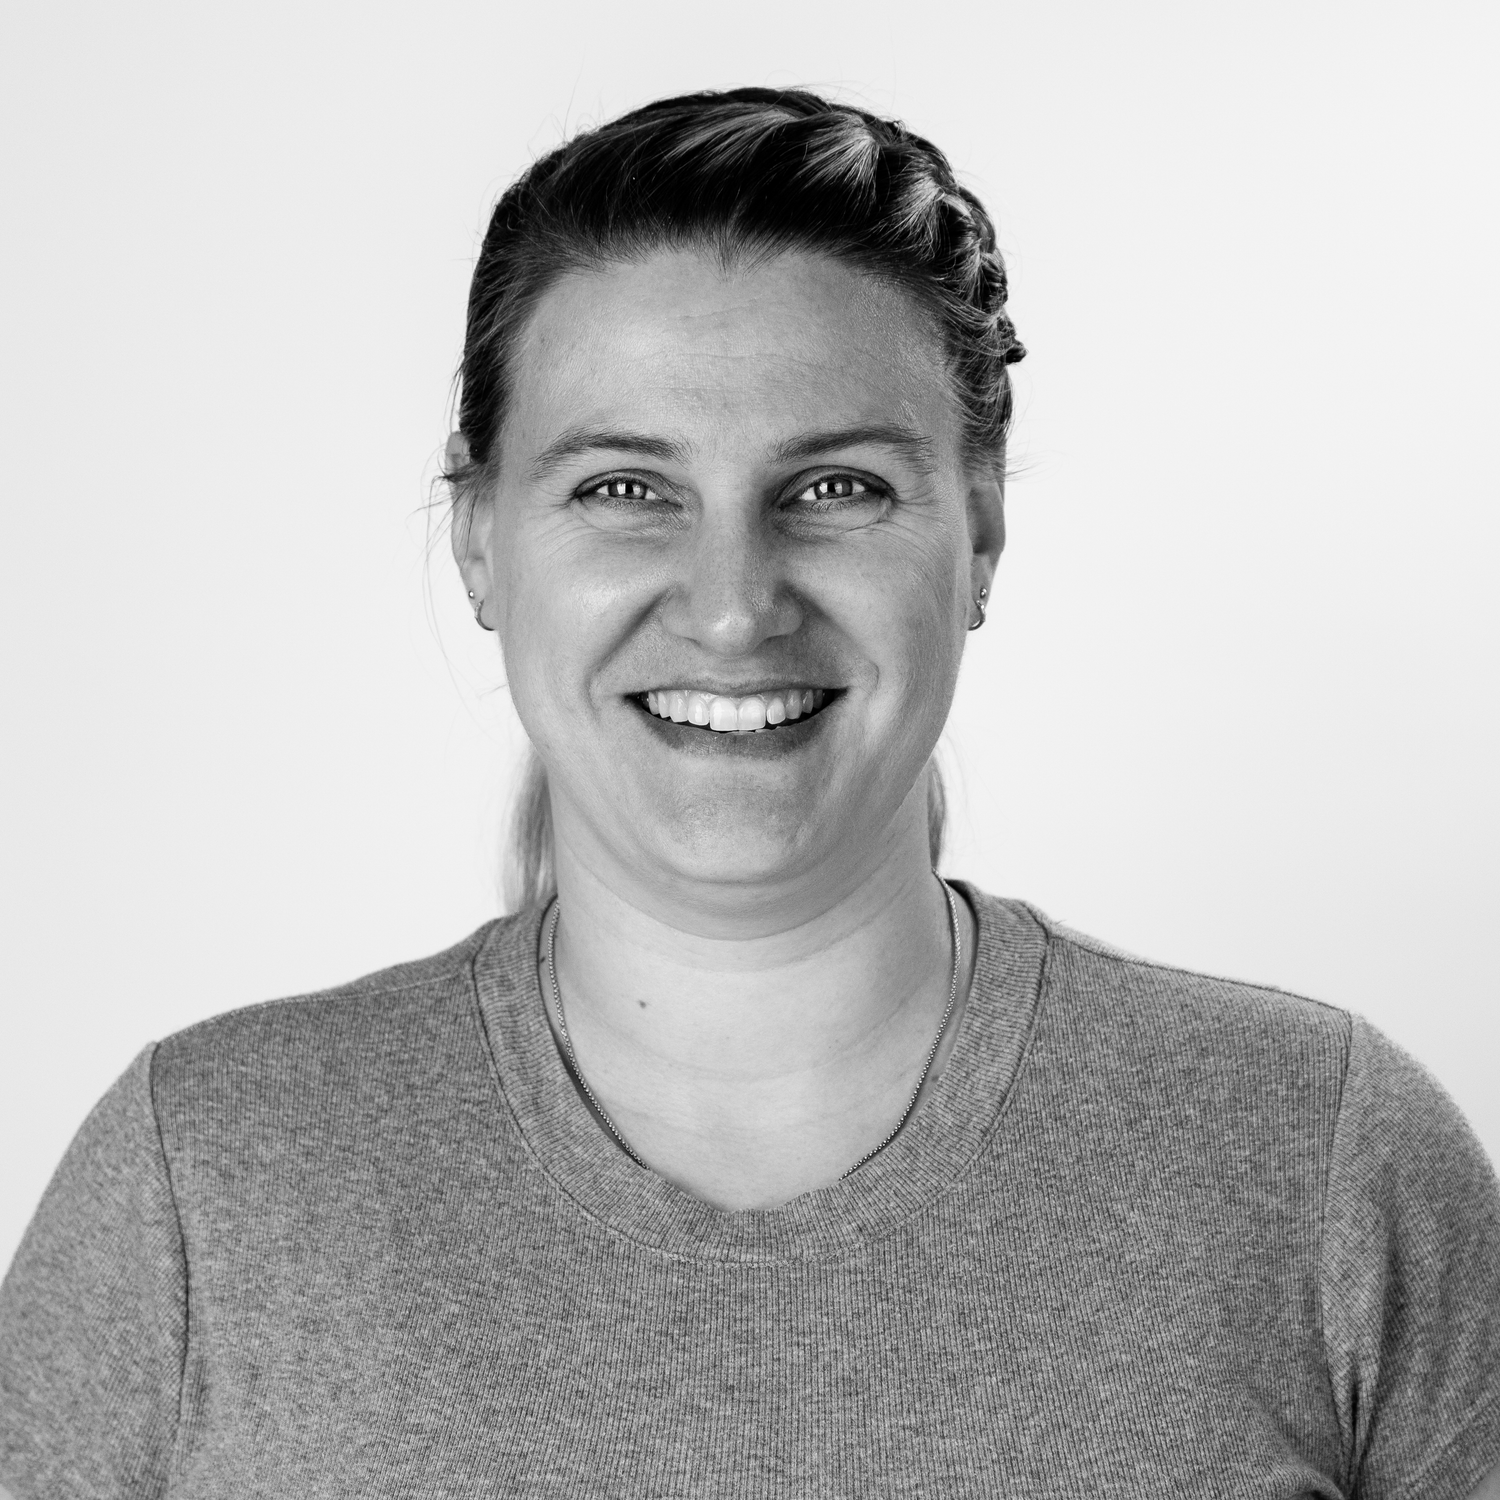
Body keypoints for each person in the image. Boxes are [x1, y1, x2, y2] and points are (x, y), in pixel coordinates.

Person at [1, 86, 1497, 1499]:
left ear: (977, 534)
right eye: (624, 488)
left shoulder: (1322, 1157)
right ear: (481, 540)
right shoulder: (201, 1180)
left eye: (836, 488)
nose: (732, 608)